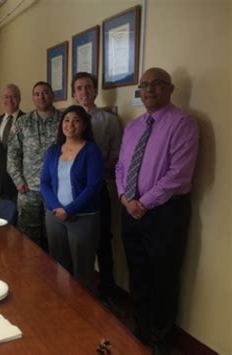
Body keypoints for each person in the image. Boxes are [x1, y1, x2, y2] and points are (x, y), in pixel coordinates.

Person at [115, 68, 199, 355]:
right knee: (137, 274)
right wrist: (125, 198)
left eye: (156, 84)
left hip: (165, 213)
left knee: (163, 278)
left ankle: (159, 340)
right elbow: (121, 167)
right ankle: (140, 330)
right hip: (130, 210)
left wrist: (144, 202)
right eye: (144, 85)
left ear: (171, 89)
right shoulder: (133, 127)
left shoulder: (183, 123)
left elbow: (179, 174)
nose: (149, 90)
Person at [71, 72, 123, 304]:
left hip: (99, 187)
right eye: (79, 88)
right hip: (72, 190)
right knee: (77, 237)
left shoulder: (108, 120)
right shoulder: (68, 118)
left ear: (95, 91)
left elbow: (115, 155)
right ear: (74, 93)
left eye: (88, 87)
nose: (84, 92)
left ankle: (108, 290)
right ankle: (76, 286)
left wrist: (93, 174)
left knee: (103, 238)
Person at [40, 105, 103, 292]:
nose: (70, 124)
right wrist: (57, 207)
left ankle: (84, 315)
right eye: (66, 120)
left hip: (82, 218)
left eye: (76, 120)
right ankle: (62, 308)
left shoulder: (91, 151)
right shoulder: (53, 151)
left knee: (83, 272)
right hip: (54, 216)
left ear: (84, 125)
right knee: (58, 267)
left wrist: (69, 210)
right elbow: (44, 183)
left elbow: (94, 186)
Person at [7, 81, 62, 250]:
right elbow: (12, 155)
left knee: (55, 238)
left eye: (45, 92)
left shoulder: (64, 120)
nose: (41, 97)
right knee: (28, 240)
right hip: (28, 190)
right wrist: (18, 181)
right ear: (32, 98)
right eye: (37, 94)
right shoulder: (22, 123)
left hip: (56, 190)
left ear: (52, 95)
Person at [0, 84, 24, 202]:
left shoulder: (28, 121)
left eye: (13, 96)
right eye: (6, 97)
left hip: (21, 183)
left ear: (19, 99)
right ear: (1, 99)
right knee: (0, 218)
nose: (9, 100)